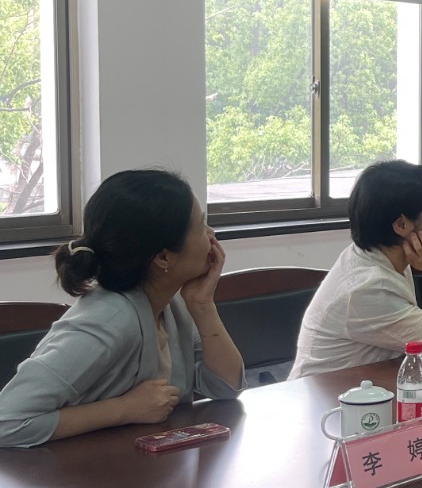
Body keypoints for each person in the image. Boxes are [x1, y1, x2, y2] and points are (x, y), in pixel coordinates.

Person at [0, 169, 243, 447]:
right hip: (71, 470)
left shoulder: (171, 304)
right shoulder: (109, 320)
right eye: (200, 227)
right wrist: (124, 409)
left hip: (130, 465)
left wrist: (202, 306)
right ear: (163, 257)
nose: (211, 235)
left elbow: (226, 386)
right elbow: (7, 421)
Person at [290, 161, 422, 379]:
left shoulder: (377, 256)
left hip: (366, 388)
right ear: (401, 225)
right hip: (326, 397)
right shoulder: (369, 287)